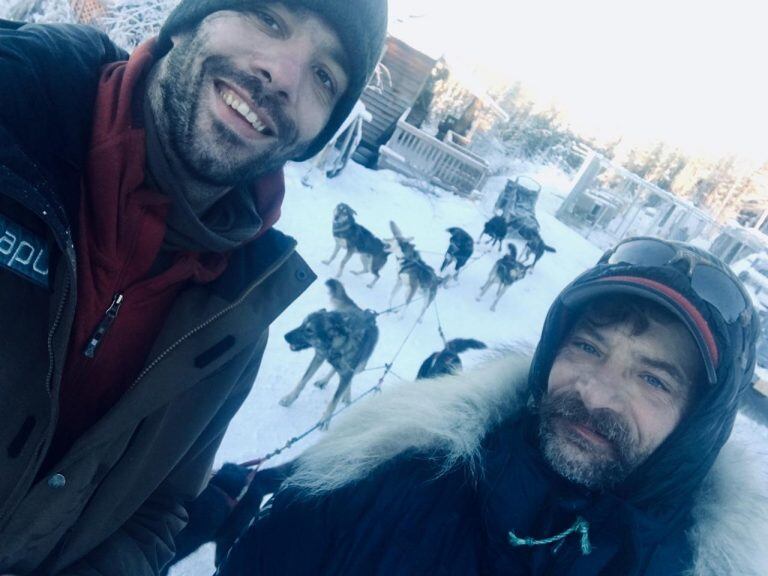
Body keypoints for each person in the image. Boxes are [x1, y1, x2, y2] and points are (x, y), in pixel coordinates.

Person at [0, 0, 386, 574]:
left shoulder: (239, 312)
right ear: (186, 22)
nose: (283, 75)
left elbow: (159, 510)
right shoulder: (13, 114)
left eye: (325, 76)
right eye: (270, 18)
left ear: (310, 139)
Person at [217, 237, 768, 575]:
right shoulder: (396, 467)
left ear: (698, 426)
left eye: (652, 378)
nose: (596, 393)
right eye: (587, 346)